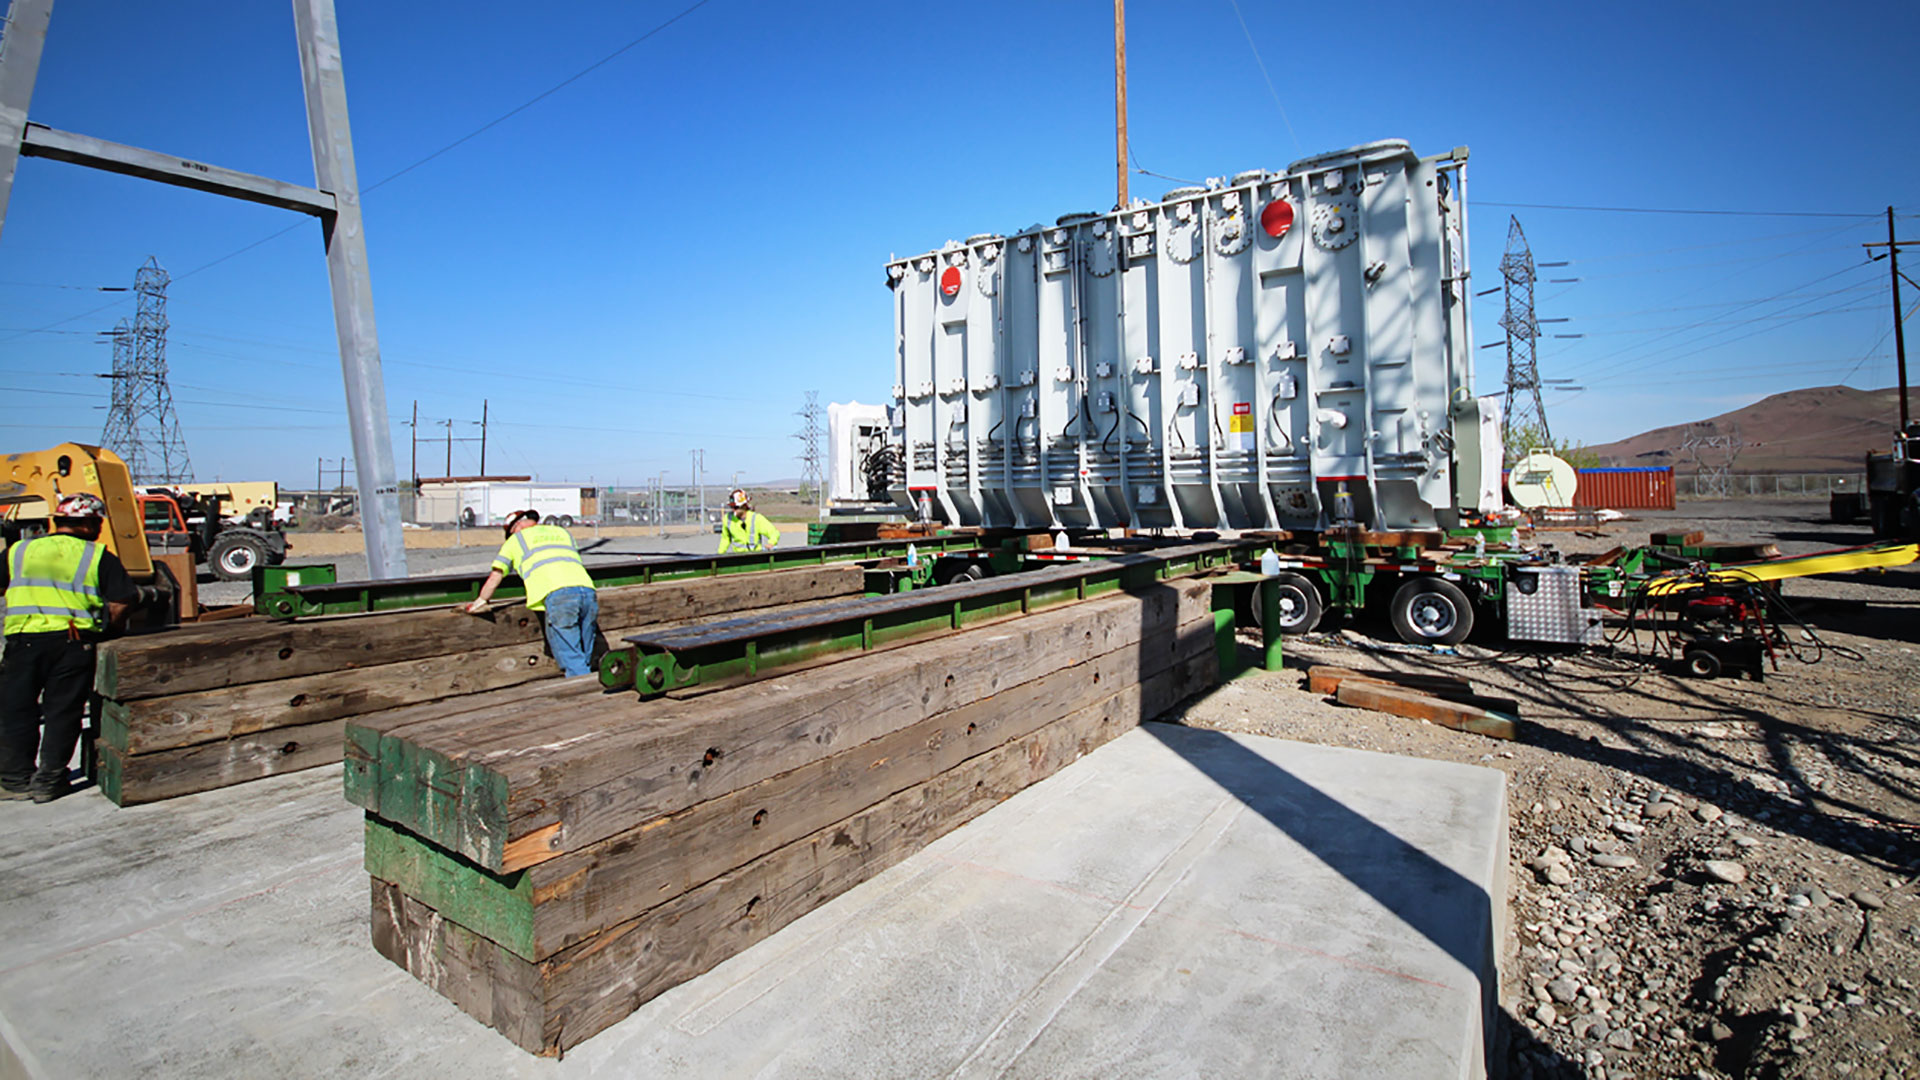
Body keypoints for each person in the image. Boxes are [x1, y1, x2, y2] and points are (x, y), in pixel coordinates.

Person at [1, 494, 136, 803]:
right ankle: (49, 781)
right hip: (73, 642)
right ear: (89, 524)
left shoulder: (19, 550)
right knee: (63, 711)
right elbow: (120, 603)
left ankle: (15, 780)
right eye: (98, 523)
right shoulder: (97, 555)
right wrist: (110, 632)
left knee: (15, 710)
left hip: (22, 639)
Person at [466, 510, 600, 677]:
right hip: (587, 591)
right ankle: (587, 684)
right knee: (585, 652)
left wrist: (480, 601)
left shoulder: (516, 540)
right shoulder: (562, 532)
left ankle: (583, 695)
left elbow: (496, 576)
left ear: (516, 527)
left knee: (573, 658)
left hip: (558, 596)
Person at [718, 489, 781, 554]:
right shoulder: (728, 519)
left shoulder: (756, 519)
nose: (733, 509)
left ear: (744, 506)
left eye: (736, 507)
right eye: (732, 507)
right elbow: (725, 539)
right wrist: (719, 555)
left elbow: (774, 533)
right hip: (738, 558)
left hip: (755, 557)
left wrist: (771, 543)